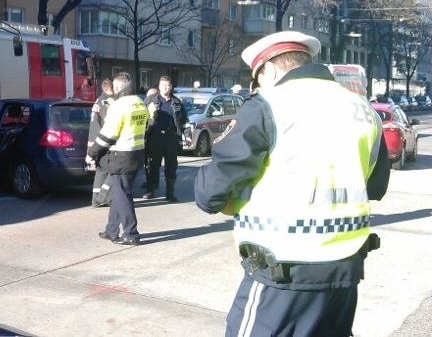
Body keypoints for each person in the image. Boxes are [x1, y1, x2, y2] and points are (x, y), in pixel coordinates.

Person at [194, 31, 390, 336]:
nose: (257, 87)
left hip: (282, 274)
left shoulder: (268, 104)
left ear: (270, 69)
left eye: (257, 79)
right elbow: (376, 187)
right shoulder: (365, 111)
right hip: (345, 273)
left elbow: (210, 193)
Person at [87, 72, 148, 246]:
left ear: (117, 87)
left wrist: (92, 153)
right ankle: (111, 230)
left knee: (122, 195)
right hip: (137, 153)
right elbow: (146, 126)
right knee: (119, 193)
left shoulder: (119, 106)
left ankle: (131, 234)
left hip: (121, 155)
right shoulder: (140, 102)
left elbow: (107, 135)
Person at [143, 76, 186, 201]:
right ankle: (151, 190)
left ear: (171, 87)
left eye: (167, 85)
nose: (165, 88)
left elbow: (184, 120)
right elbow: (143, 117)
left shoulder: (176, 102)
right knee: (153, 165)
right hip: (155, 136)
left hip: (171, 137)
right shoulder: (150, 100)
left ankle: (170, 192)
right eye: (163, 85)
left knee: (171, 166)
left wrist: (187, 135)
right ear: (159, 86)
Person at [87, 79, 114, 207]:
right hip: (106, 142)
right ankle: (103, 198)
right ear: (110, 88)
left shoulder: (98, 101)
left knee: (101, 171)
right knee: (111, 171)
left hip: (97, 143)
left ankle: (96, 199)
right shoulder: (107, 103)